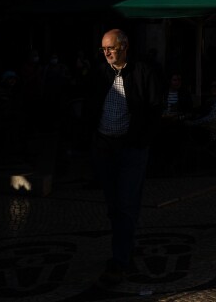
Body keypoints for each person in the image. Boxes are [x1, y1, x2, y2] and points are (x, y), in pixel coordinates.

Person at [89, 29, 164, 286]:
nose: (107, 53)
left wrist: (141, 141)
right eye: (103, 49)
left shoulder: (143, 72)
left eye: (111, 48)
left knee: (126, 204)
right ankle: (124, 247)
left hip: (131, 149)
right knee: (113, 206)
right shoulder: (100, 73)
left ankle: (120, 260)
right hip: (105, 147)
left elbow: (155, 109)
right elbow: (90, 104)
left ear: (125, 47)